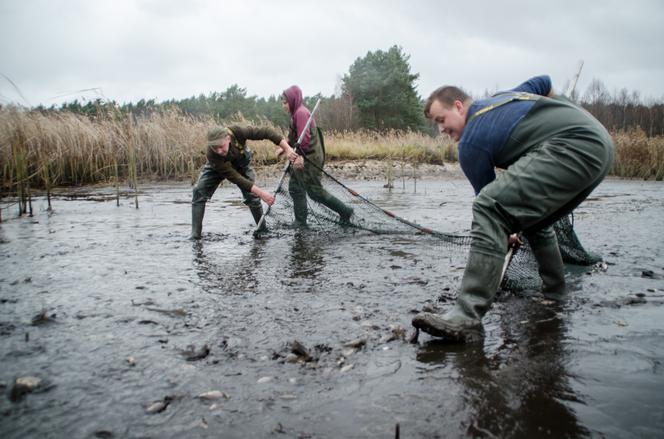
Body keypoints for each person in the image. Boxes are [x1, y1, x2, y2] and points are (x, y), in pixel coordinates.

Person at [412, 75, 614, 342]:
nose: (440, 130)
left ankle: (466, 316)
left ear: (459, 106)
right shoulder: (501, 98)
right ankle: (556, 293)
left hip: (572, 147)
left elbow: (490, 209)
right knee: (535, 221)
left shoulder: (470, 142)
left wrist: (506, 235)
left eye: (441, 120)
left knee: (488, 208)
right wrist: (566, 110)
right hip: (600, 144)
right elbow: (543, 82)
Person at [191, 125, 295, 239]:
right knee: (198, 191)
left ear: (228, 138)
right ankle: (195, 236)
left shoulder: (238, 132)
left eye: (221, 146)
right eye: (215, 148)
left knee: (252, 197)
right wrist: (262, 193)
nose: (219, 151)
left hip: (241, 166)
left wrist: (288, 149)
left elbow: (267, 132)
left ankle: (263, 230)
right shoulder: (212, 155)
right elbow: (235, 178)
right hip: (219, 168)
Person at [281, 85, 354, 226]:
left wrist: (299, 156)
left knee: (313, 191)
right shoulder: (296, 113)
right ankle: (301, 221)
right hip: (306, 155)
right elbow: (296, 137)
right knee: (297, 187)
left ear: (293, 101)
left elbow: (305, 138)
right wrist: (285, 147)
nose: (283, 106)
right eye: (282, 103)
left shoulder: (301, 113)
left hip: (310, 157)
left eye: (285, 103)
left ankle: (345, 211)